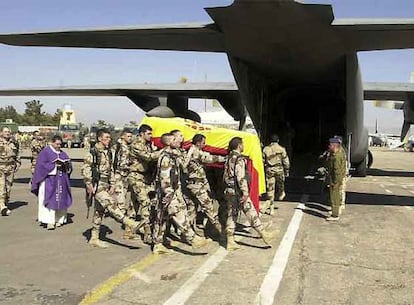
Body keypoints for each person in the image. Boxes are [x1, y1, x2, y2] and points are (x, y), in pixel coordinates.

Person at [81, 128, 141, 248]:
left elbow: (111, 169)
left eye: (109, 138)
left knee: (99, 212)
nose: (108, 140)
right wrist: (88, 184)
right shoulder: (92, 153)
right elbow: (85, 169)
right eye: (106, 138)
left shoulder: (108, 152)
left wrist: (112, 183)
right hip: (96, 185)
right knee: (110, 204)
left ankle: (94, 237)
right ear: (99, 138)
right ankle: (129, 222)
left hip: (105, 184)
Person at [152, 133, 207, 254]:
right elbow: (164, 178)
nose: (177, 140)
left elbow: (183, 166)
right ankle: (192, 238)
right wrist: (168, 193)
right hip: (167, 192)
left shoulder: (173, 155)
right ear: (168, 142)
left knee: (162, 218)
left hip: (172, 191)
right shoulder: (166, 157)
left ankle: (157, 244)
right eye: (174, 139)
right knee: (177, 212)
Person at [223, 137, 274, 250]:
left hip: (230, 190)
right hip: (238, 191)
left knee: (232, 215)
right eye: (243, 144)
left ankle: (230, 241)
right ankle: (264, 234)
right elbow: (240, 176)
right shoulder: (239, 159)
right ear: (239, 145)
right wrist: (245, 192)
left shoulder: (228, 157)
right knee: (250, 212)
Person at [183, 134, 225, 238]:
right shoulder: (195, 152)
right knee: (209, 208)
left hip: (192, 185)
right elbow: (209, 158)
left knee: (192, 210)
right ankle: (221, 232)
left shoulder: (191, 151)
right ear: (198, 143)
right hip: (196, 186)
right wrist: (225, 158)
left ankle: (188, 234)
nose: (205, 144)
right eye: (203, 142)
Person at [128, 124, 161, 244]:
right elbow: (148, 157)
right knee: (145, 203)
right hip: (136, 176)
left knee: (134, 205)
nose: (151, 136)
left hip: (144, 177)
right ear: (142, 134)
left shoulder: (147, 145)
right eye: (149, 134)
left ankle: (129, 230)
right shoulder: (137, 144)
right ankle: (147, 233)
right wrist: (163, 151)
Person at [31, 135, 72, 230]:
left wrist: (66, 164)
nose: (58, 146)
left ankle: (59, 219)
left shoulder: (62, 153)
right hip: (48, 181)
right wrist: (53, 165)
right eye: (57, 144)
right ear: (52, 142)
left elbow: (69, 165)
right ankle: (49, 221)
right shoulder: (45, 152)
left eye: (60, 144)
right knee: (49, 200)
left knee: (60, 199)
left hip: (60, 180)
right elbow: (41, 166)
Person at [112, 128, 137, 239]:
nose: (130, 138)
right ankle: (126, 226)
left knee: (129, 201)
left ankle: (127, 225)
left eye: (131, 136)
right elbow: (114, 162)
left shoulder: (129, 147)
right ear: (122, 136)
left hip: (127, 176)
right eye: (128, 136)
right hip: (119, 176)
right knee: (121, 201)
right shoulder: (117, 147)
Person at [262, 134, 290, 215]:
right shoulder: (281, 149)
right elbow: (286, 161)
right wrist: (287, 171)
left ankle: (271, 209)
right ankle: (281, 192)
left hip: (269, 170)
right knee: (281, 183)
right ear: (278, 140)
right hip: (279, 169)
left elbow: (263, 161)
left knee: (270, 189)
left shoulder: (266, 149)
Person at [0, 127, 21, 216]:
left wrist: (18, 163)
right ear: (1, 133)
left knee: (8, 187)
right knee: (1, 187)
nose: (7, 133)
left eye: (8, 132)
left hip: (10, 168)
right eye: (5, 132)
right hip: (1, 167)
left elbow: (17, 153)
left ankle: (5, 202)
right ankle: (2, 206)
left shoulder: (14, 142)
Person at [326, 137, 347, 221]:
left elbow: (337, 170)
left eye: (330, 145)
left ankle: (335, 215)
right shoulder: (338, 153)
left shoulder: (336, 156)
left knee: (334, 197)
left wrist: (336, 182)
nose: (329, 146)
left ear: (334, 145)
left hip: (335, 180)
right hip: (336, 179)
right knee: (336, 197)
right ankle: (335, 212)